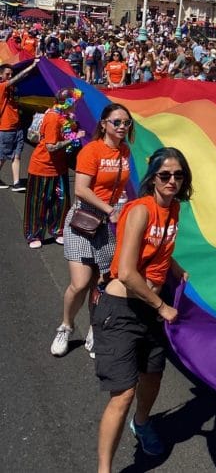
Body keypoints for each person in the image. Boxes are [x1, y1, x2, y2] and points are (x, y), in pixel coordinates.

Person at [94, 147, 192, 472]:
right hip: (121, 308)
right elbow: (126, 272)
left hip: (149, 309)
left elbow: (160, 246)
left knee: (153, 375)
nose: (172, 181)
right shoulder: (140, 211)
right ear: (153, 178)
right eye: (165, 175)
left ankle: (143, 421)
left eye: (178, 175)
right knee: (122, 394)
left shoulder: (174, 208)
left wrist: (175, 269)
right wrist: (162, 306)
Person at [51, 103, 134, 357]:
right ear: (103, 124)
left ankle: (95, 329)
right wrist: (109, 209)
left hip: (108, 225)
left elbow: (119, 188)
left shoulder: (124, 152)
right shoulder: (92, 151)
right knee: (80, 282)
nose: (122, 127)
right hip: (84, 220)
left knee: (101, 282)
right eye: (116, 122)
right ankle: (66, 326)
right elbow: (81, 190)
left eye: (126, 123)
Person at [24, 88, 85, 249]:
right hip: (42, 166)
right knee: (38, 202)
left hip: (59, 167)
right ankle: (33, 234)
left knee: (62, 200)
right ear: (66, 104)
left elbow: (66, 134)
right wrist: (75, 138)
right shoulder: (53, 118)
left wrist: (72, 128)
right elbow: (51, 147)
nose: (76, 106)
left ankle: (58, 230)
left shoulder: (65, 116)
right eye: (74, 103)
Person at [0, 60, 38, 191]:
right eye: (7, 74)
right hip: (5, 128)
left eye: (11, 74)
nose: (10, 76)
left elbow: (21, 79)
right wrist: (31, 66)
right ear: (1, 76)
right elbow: (18, 78)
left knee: (16, 155)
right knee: (2, 156)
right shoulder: (1, 87)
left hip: (17, 127)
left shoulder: (11, 88)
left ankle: (16, 183)